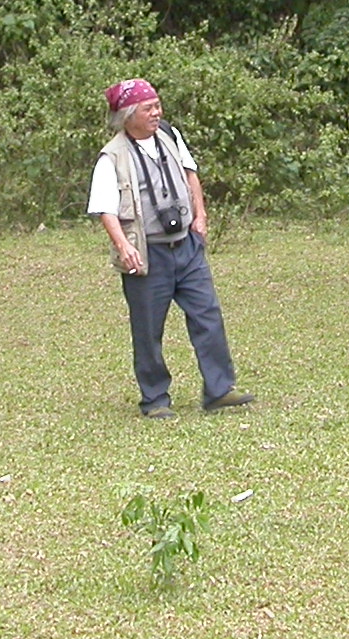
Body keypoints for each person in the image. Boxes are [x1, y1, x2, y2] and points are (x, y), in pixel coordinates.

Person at [86, 79, 255, 419]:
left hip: (187, 247)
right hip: (149, 253)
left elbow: (191, 174)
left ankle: (219, 390)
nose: (156, 112)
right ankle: (155, 400)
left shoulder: (170, 135)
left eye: (157, 105)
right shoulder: (112, 157)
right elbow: (105, 209)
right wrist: (124, 247)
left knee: (208, 315)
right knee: (148, 329)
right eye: (148, 108)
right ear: (128, 115)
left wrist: (201, 216)